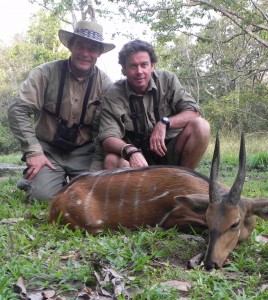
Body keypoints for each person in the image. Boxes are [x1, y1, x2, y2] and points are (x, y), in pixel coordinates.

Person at [7, 20, 115, 201]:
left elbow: (106, 129)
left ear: (99, 53)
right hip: (47, 149)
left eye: (92, 48)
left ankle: (59, 181)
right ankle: (36, 179)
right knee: (41, 197)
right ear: (70, 45)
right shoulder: (45, 73)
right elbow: (18, 110)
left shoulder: (106, 84)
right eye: (80, 46)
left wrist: (97, 169)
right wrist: (34, 151)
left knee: (94, 196)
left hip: (83, 151)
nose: (86, 53)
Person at [92, 39, 210, 170]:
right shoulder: (113, 94)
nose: (139, 71)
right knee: (112, 160)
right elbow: (108, 137)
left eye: (144, 65)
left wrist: (165, 123)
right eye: (132, 66)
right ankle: (138, 189)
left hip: (168, 150)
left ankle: (184, 181)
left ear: (152, 66)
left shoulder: (168, 80)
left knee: (201, 126)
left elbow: (193, 112)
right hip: (136, 158)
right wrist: (130, 150)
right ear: (124, 69)